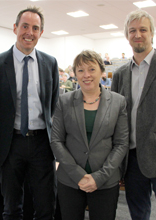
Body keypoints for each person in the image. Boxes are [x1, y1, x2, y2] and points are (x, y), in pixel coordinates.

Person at [0, 6, 59, 220]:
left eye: (35, 28)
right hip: (10, 144)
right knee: (12, 208)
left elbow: (52, 105)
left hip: (42, 144)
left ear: (41, 33)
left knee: (46, 207)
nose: (30, 32)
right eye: (25, 26)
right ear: (15, 28)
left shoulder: (50, 63)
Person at [111, 9, 156, 220]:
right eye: (132, 30)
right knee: (139, 215)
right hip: (132, 162)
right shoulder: (119, 74)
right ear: (127, 36)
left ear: (152, 33)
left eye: (143, 29)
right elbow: (116, 117)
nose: (138, 34)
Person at [51, 50, 129, 220]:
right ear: (75, 74)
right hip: (70, 180)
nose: (86, 75)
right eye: (80, 70)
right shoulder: (64, 101)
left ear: (102, 71)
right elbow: (56, 140)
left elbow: (121, 143)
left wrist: (99, 177)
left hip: (105, 181)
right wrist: (78, 175)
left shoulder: (118, 102)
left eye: (92, 69)